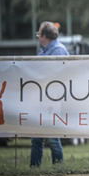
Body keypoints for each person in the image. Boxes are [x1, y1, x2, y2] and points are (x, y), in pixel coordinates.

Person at [30, 21, 68, 167]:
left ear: (44, 36)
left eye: (38, 34)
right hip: (41, 100)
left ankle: (58, 168)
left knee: (52, 137)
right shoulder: (44, 51)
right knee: (36, 137)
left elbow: (54, 76)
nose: (38, 37)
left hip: (53, 100)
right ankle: (34, 168)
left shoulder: (58, 50)